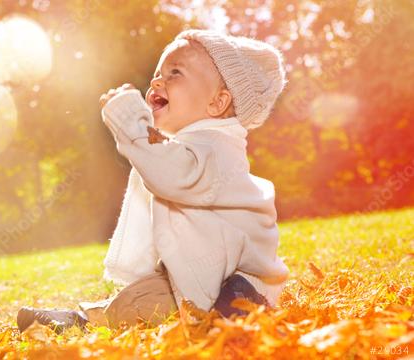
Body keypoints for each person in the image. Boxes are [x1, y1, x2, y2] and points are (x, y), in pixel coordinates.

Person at [17, 28, 290, 334]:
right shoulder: (193, 146)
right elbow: (165, 161)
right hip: (207, 277)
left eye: (175, 73)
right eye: (158, 73)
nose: (158, 81)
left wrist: (131, 125)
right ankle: (83, 319)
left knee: (147, 305)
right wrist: (147, 137)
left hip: (238, 284)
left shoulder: (217, 149)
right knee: (139, 299)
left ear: (217, 102)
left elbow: (172, 173)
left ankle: (240, 315)